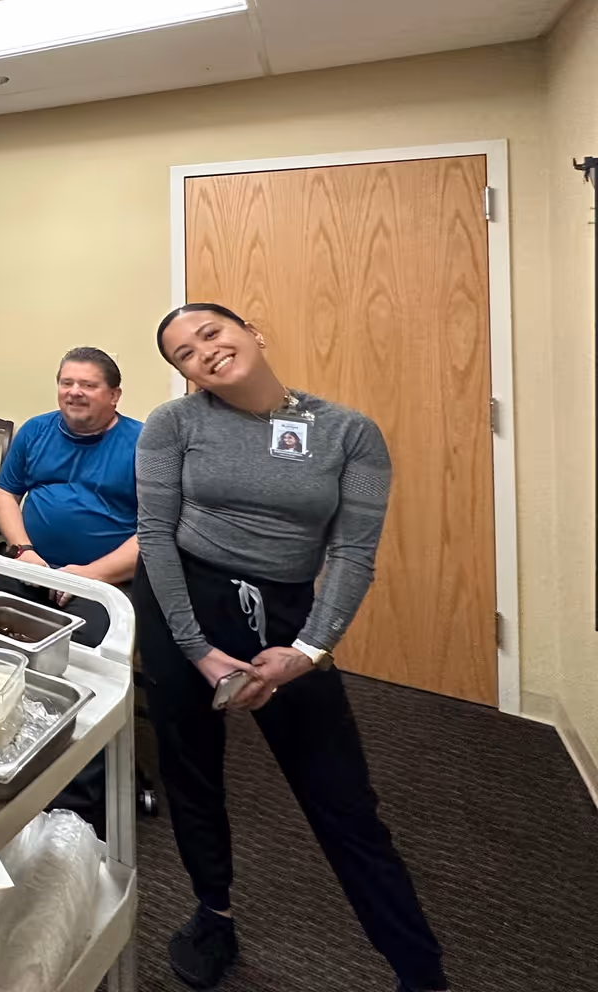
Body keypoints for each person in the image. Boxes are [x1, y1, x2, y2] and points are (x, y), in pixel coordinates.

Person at [137, 303, 446, 992]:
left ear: (254, 333)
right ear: (185, 375)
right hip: (180, 602)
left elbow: (354, 554)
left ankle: (419, 970)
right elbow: (155, 535)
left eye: (212, 333)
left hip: (285, 613)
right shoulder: (174, 425)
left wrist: (308, 651)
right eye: (185, 353)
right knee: (192, 773)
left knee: (342, 800)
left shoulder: (350, 433)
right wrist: (198, 650)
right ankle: (212, 913)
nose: (205, 352)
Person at [0, 346, 143, 646]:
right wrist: (24, 550)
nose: (74, 392)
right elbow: (6, 492)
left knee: (77, 659)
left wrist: (91, 574)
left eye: (88, 385)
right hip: (31, 565)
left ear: (114, 395)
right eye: (66, 383)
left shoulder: (143, 443)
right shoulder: (36, 430)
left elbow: (155, 530)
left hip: (103, 579)